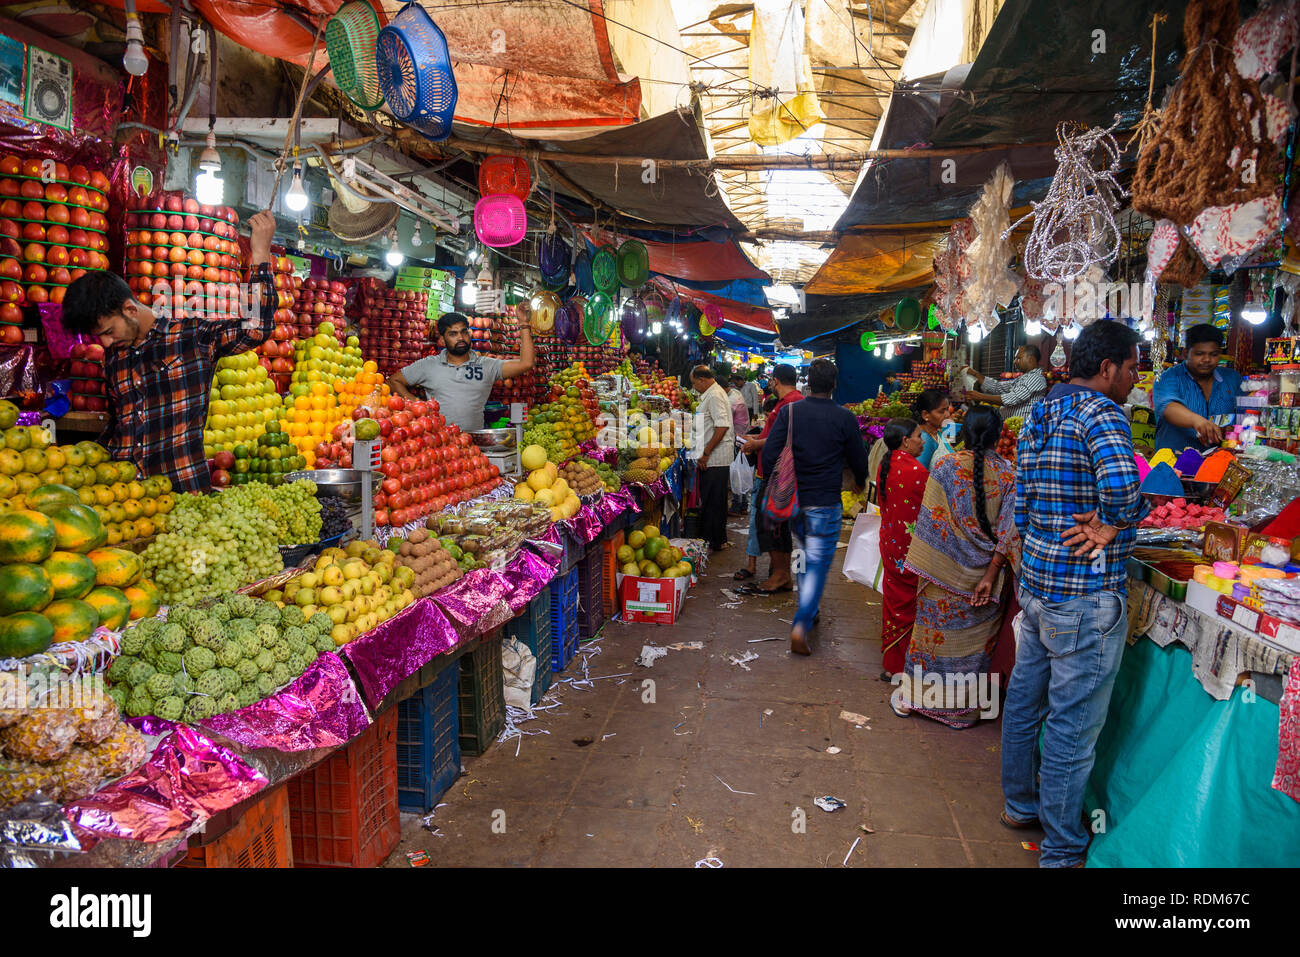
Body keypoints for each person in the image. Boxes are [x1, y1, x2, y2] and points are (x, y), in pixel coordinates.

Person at [1002, 319, 1146, 869]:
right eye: (1132, 368)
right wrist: (1114, 524)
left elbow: (1023, 496)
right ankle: (1062, 849)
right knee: (1070, 725)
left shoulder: (1043, 408)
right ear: (1107, 368)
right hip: (1083, 596)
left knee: (1025, 701)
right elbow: (1124, 488)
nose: (1135, 378)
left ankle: (1020, 805)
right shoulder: (1103, 412)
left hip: (1038, 585)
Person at [59, 210, 278, 494]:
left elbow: (256, 328)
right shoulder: (115, 358)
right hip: (128, 501)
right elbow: (121, 424)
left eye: (108, 332)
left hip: (181, 495)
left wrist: (260, 253)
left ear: (129, 309)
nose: (106, 344)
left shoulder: (191, 338)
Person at [894, 405, 1021, 727]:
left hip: (941, 572)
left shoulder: (944, 467)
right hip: (985, 581)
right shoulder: (1009, 475)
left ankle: (912, 700)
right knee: (973, 650)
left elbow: (931, 527)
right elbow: (1009, 533)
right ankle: (958, 713)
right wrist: (991, 574)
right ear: (998, 436)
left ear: (963, 433)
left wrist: (943, 563)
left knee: (927, 639)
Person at [760, 357, 867, 655]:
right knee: (817, 561)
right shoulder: (844, 417)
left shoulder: (791, 412)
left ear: (809, 383)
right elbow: (859, 457)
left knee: (803, 552)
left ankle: (808, 604)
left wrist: (774, 482)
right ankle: (802, 621)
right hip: (825, 502)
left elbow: (770, 452)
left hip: (795, 502)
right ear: (834, 385)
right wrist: (860, 481)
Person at [388, 311, 534, 432]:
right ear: (443, 340)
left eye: (464, 332)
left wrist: (525, 325)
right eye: (453, 334)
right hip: (439, 446)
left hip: (474, 447)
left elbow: (526, 363)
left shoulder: (486, 365)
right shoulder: (429, 365)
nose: (460, 338)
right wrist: (418, 404)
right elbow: (394, 381)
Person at [739, 363, 802, 592]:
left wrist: (756, 443)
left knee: (771, 524)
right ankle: (781, 574)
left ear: (775, 381)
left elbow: (786, 437)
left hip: (780, 473)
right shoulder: (789, 402)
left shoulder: (792, 402)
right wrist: (756, 439)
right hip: (775, 471)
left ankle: (780, 574)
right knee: (775, 524)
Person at [877, 417, 928, 679]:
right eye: (919, 436)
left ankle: (893, 661)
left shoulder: (887, 465)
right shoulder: (917, 472)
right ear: (906, 441)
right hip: (910, 550)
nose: (922, 441)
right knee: (909, 606)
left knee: (894, 603)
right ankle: (900, 666)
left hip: (890, 544)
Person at [1153, 323, 1242, 451]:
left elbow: (1243, 414)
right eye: (1199, 354)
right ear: (1185, 354)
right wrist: (1198, 421)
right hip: (1175, 464)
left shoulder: (1232, 379)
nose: (1207, 359)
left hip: (1221, 462)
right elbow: (1167, 407)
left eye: (1213, 354)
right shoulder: (1167, 378)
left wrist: (1231, 430)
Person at [689, 365, 735, 552]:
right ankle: (716, 539)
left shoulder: (715, 395)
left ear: (702, 379)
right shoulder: (712, 393)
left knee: (713, 501)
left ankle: (713, 541)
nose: (694, 388)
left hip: (715, 458)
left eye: (694, 384)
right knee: (714, 500)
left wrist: (706, 452)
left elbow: (722, 426)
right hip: (712, 456)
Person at [735, 395, 778, 580]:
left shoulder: (783, 424)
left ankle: (775, 568)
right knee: (754, 523)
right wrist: (752, 438)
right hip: (761, 477)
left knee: (775, 526)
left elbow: (774, 441)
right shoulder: (772, 424)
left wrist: (755, 442)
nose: (767, 420)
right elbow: (765, 438)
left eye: (769, 417)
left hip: (776, 479)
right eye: (766, 416)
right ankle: (751, 565)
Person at [964, 344, 1048, 420]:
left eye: (1018, 358)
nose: (1015, 361)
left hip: (1022, 429)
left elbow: (1012, 398)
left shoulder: (1036, 378)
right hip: (1009, 428)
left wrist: (980, 397)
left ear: (1031, 359)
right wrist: (974, 373)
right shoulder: (1023, 378)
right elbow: (998, 387)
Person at [912, 389, 952, 469]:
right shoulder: (924, 440)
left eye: (947, 409)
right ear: (925, 415)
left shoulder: (936, 432)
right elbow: (920, 474)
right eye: (942, 411)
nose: (947, 415)